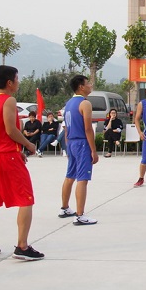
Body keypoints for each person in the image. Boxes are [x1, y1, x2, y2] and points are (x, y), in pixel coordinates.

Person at [0, 65, 44, 261]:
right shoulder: (8, 100)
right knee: (26, 199)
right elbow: (10, 130)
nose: (18, 82)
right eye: (17, 79)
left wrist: (17, 150)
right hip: (6, 157)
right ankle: (22, 246)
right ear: (9, 82)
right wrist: (28, 145)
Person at [59, 75, 99, 225]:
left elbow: (66, 128)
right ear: (81, 87)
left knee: (70, 176)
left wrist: (68, 144)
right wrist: (93, 150)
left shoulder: (69, 103)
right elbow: (88, 128)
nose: (90, 85)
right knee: (82, 178)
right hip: (82, 143)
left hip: (71, 142)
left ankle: (64, 208)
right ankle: (80, 215)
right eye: (88, 83)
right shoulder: (85, 103)